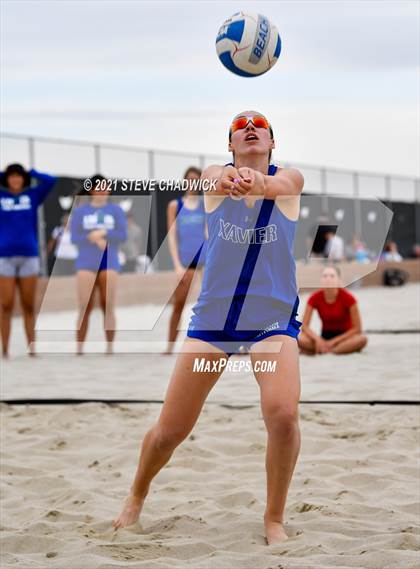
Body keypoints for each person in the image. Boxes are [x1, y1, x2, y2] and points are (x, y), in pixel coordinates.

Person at [114, 111, 304, 545]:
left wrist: (258, 184)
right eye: (241, 126)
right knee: (170, 431)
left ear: (272, 142)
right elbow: (212, 180)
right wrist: (227, 179)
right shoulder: (216, 179)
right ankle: (136, 494)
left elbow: (279, 186)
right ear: (232, 144)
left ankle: (273, 519)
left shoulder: (289, 180)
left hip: (271, 323)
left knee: (284, 415)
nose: (250, 127)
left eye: (260, 125)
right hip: (216, 323)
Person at [0, 163, 56, 357]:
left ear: (23, 178)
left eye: (18, 176)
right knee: (5, 304)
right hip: (5, 257)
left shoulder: (32, 196)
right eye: (11, 176)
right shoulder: (2, 197)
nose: (15, 179)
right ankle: (5, 350)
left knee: (28, 305)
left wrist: (31, 172)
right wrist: (3, 173)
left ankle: (32, 349)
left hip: (29, 256)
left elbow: (51, 181)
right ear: (7, 179)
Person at [70, 176, 128, 355]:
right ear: (91, 190)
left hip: (109, 261)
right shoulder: (80, 211)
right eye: (99, 187)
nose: (103, 191)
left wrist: (104, 233)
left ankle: (109, 347)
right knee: (84, 306)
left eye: (105, 187)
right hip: (86, 262)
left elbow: (123, 235)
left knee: (108, 304)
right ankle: (79, 348)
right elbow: (74, 238)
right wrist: (91, 237)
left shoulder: (116, 210)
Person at [164, 166, 207, 354]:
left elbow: (209, 232)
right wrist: (177, 265)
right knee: (178, 304)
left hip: (206, 260)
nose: (193, 182)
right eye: (190, 178)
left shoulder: (206, 204)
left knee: (212, 304)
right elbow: (172, 236)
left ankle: (215, 345)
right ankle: (170, 346)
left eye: (196, 179)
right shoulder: (175, 205)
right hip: (185, 261)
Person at [298, 265, 367, 355]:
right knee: (297, 337)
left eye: (332, 276)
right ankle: (329, 349)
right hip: (324, 336)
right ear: (321, 280)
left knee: (362, 339)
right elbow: (305, 327)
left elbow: (357, 329)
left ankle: (328, 350)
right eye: (325, 276)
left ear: (338, 280)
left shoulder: (349, 298)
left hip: (345, 338)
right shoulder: (314, 298)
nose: (328, 279)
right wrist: (318, 340)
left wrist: (333, 342)